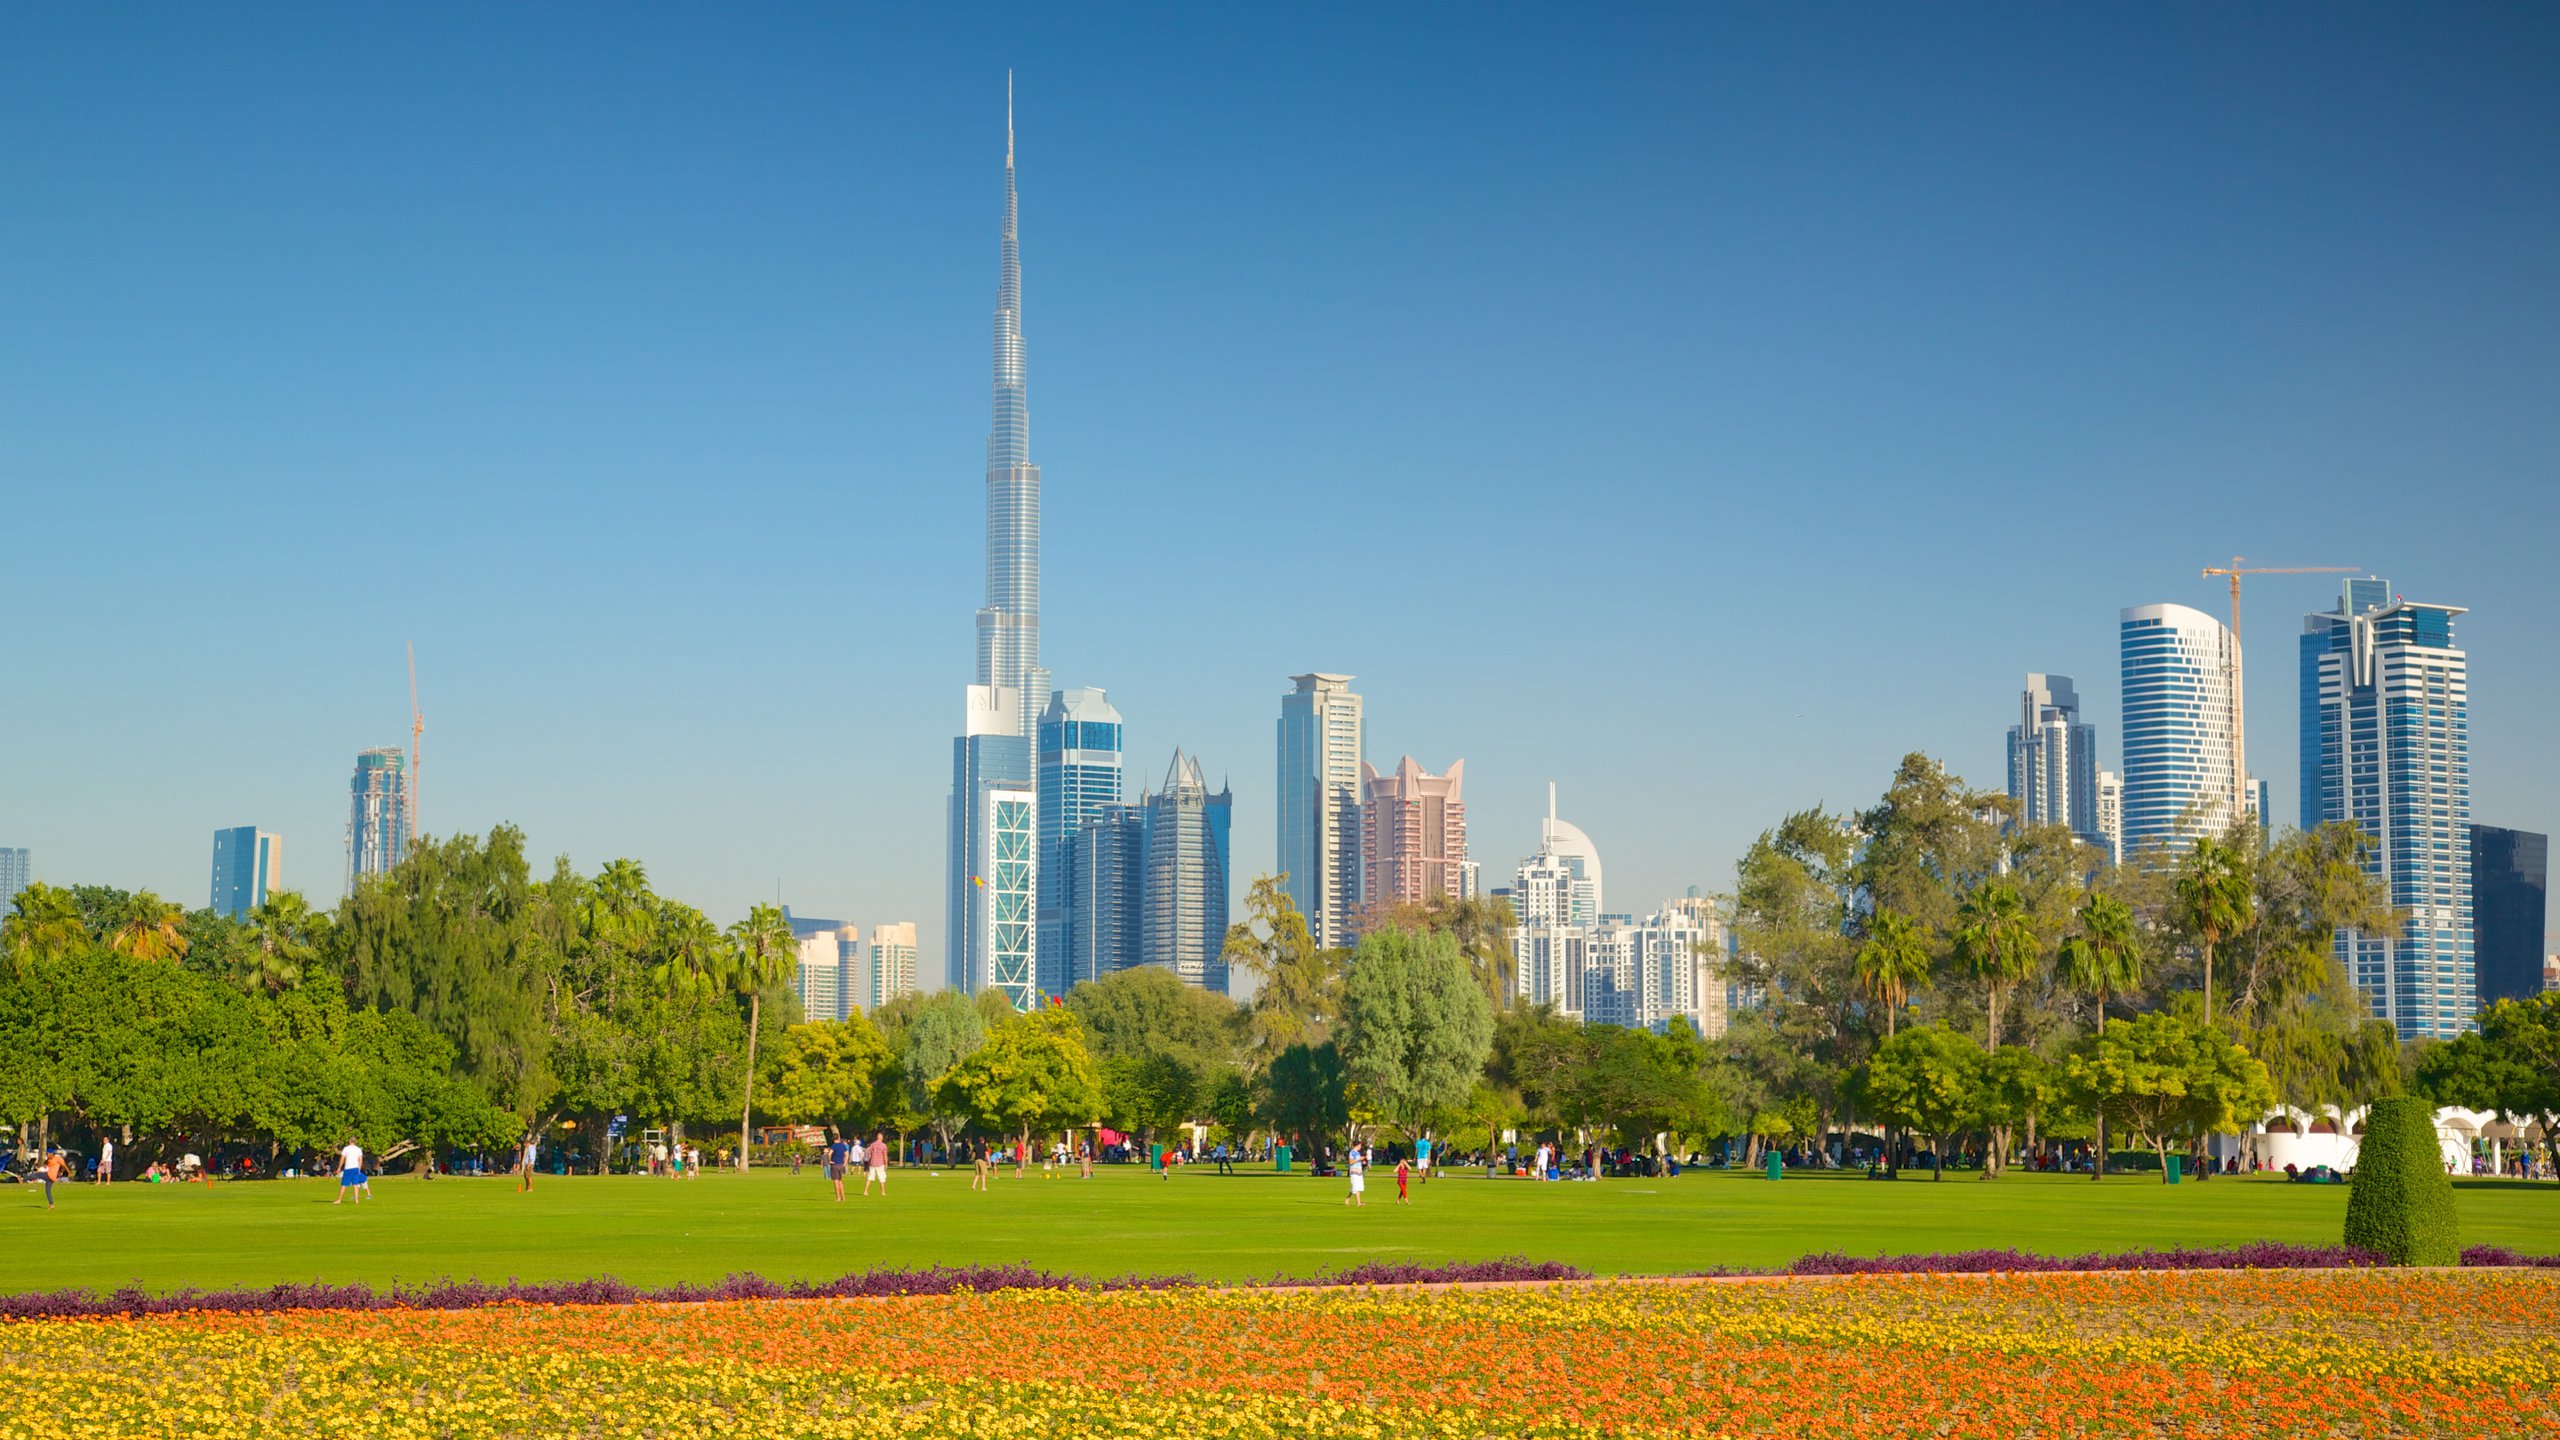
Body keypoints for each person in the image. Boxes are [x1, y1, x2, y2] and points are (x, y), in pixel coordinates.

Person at [333, 1138, 368, 1205]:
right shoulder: (358, 1149)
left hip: (348, 1168)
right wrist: (359, 1169)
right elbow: (360, 1160)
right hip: (356, 1168)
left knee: (344, 1184)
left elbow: (342, 1159)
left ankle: (339, 1200)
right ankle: (356, 1200)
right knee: (355, 1184)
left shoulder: (346, 1149)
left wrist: (339, 1168)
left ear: (349, 1141)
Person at [827, 1132, 851, 1202]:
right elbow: (847, 1154)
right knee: (840, 1181)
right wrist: (845, 1162)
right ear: (838, 1138)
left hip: (835, 1165)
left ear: (833, 1139)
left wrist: (829, 1161)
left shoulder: (834, 1146)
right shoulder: (842, 1145)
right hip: (841, 1165)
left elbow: (829, 1154)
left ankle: (838, 1197)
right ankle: (843, 1197)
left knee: (836, 1181)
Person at [864, 1132, 889, 1197]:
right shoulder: (883, 1145)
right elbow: (885, 1155)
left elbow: (869, 1155)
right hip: (880, 1163)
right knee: (882, 1178)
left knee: (870, 1178)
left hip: (872, 1163)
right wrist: (886, 1163)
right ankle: (883, 1192)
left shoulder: (872, 1145)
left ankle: (865, 1191)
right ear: (881, 1138)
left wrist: (870, 1162)